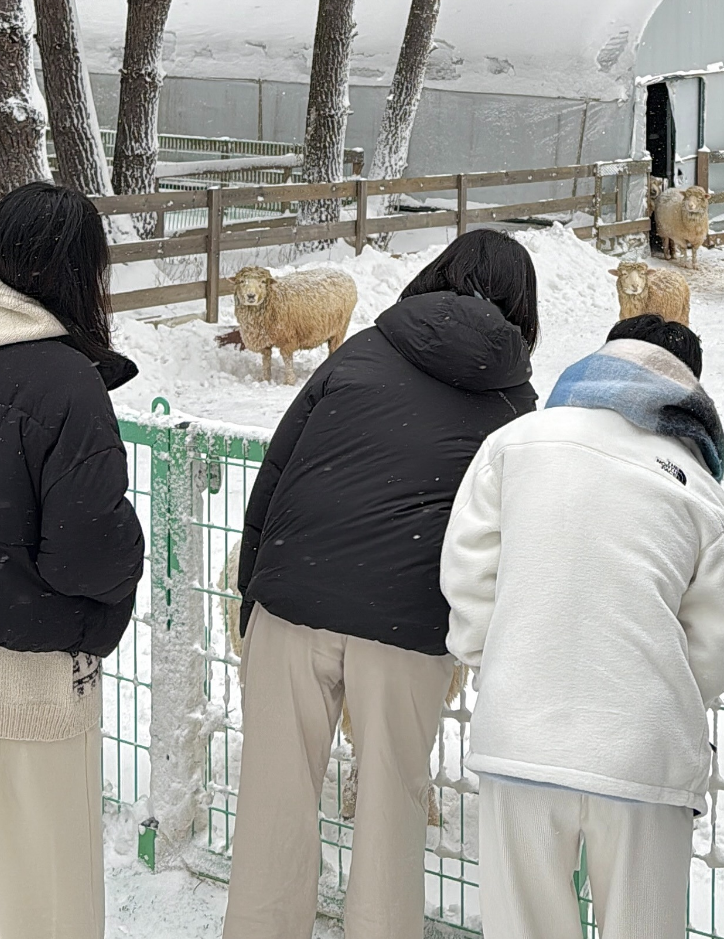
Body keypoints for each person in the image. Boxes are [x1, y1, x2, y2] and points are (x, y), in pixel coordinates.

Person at [224, 229, 539, 939]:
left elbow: (276, 474)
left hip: (293, 598)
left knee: (274, 803)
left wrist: (254, 595)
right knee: (392, 810)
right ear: (523, 306)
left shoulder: (364, 350)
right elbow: (510, 535)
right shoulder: (516, 405)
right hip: (408, 624)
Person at [441, 313, 724, 939]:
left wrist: (502, 661)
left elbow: (468, 575)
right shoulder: (699, 489)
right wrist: (658, 688)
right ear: (686, 388)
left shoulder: (515, 443)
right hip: (644, 761)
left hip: (519, 742)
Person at [0, 182, 144, 939]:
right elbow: (87, 554)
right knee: (45, 905)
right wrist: (125, 556)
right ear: (77, 271)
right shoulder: (62, 383)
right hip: (24, 687)